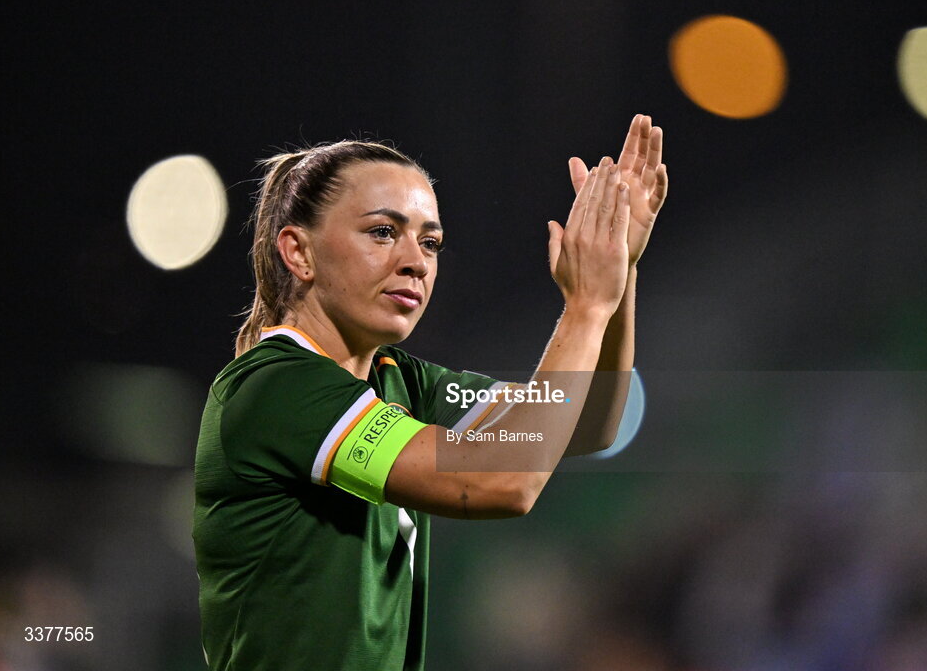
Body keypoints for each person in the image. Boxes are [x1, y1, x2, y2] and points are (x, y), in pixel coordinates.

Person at [193, 115, 668, 670]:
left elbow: (584, 424)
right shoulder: (275, 387)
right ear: (299, 252)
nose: (416, 262)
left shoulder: (403, 382)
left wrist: (618, 272)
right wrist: (584, 306)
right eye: (381, 231)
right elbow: (502, 480)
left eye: (431, 241)